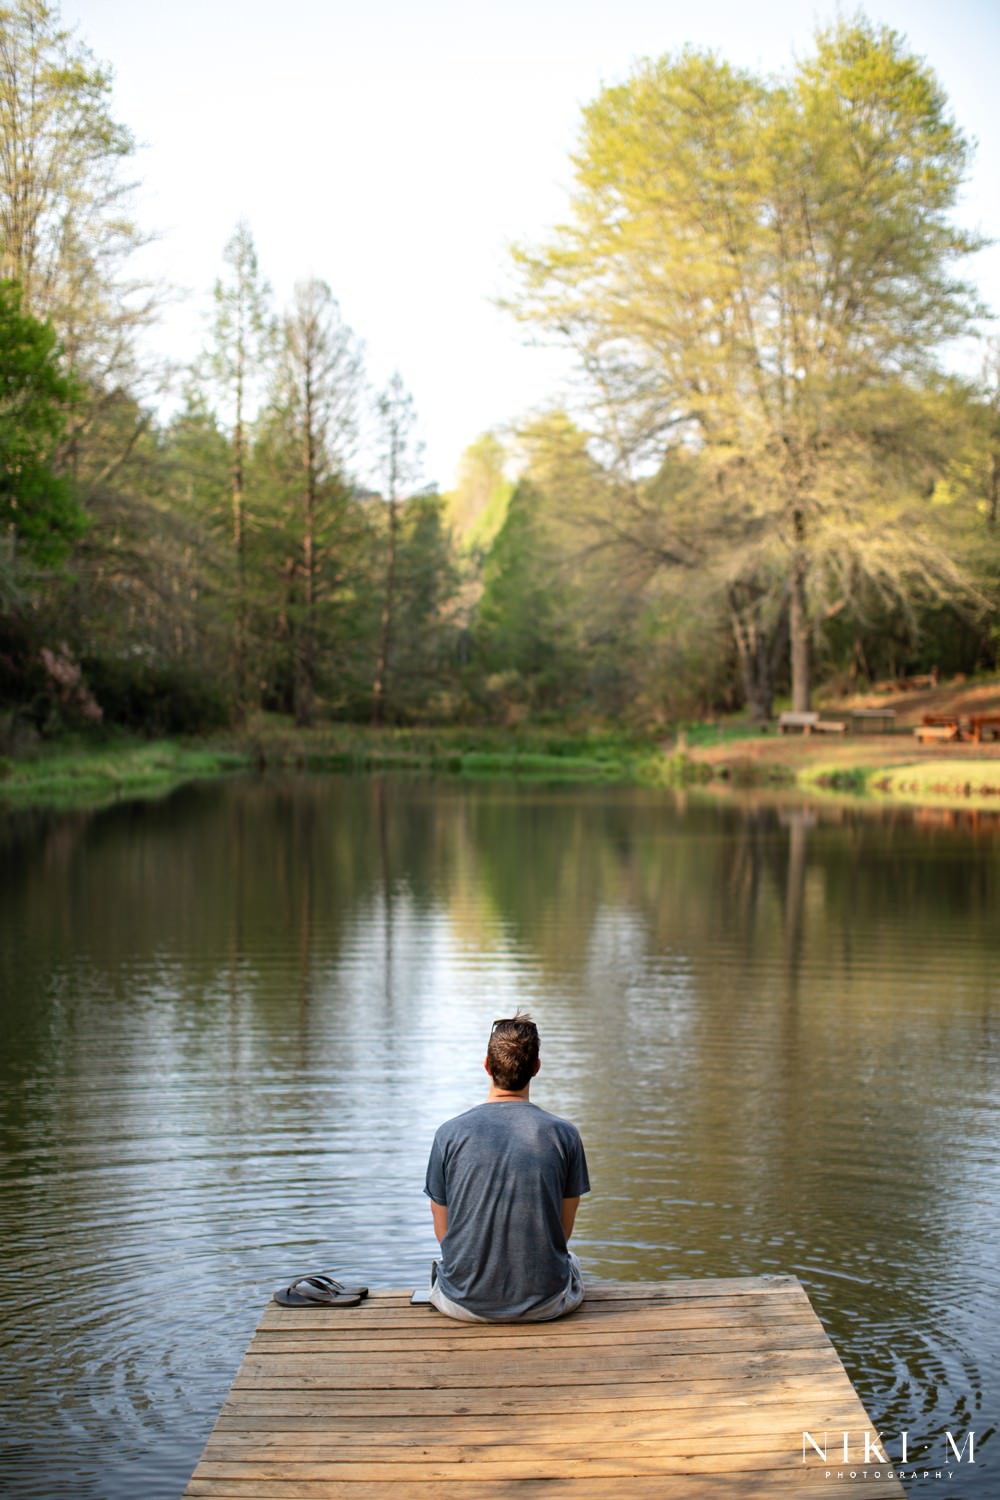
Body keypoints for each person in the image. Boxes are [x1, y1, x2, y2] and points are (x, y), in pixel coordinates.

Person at [423, 1011, 590, 1322]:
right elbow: (561, 1231)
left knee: (443, 1263)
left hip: (463, 1304)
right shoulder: (564, 1135)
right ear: (536, 1068)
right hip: (545, 1304)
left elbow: (441, 1224)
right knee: (573, 1260)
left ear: (487, 1066)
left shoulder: (449, 1133)